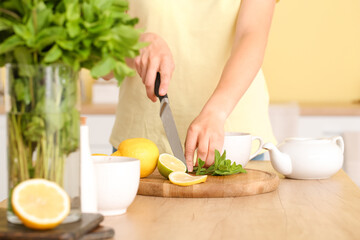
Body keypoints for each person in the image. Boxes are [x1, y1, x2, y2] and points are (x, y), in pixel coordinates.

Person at [106, 0, 278, 172]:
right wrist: (133, 46)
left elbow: (252, 34)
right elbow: (101, 65)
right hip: (139, 148)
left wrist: (216, 112)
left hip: (232, 143)